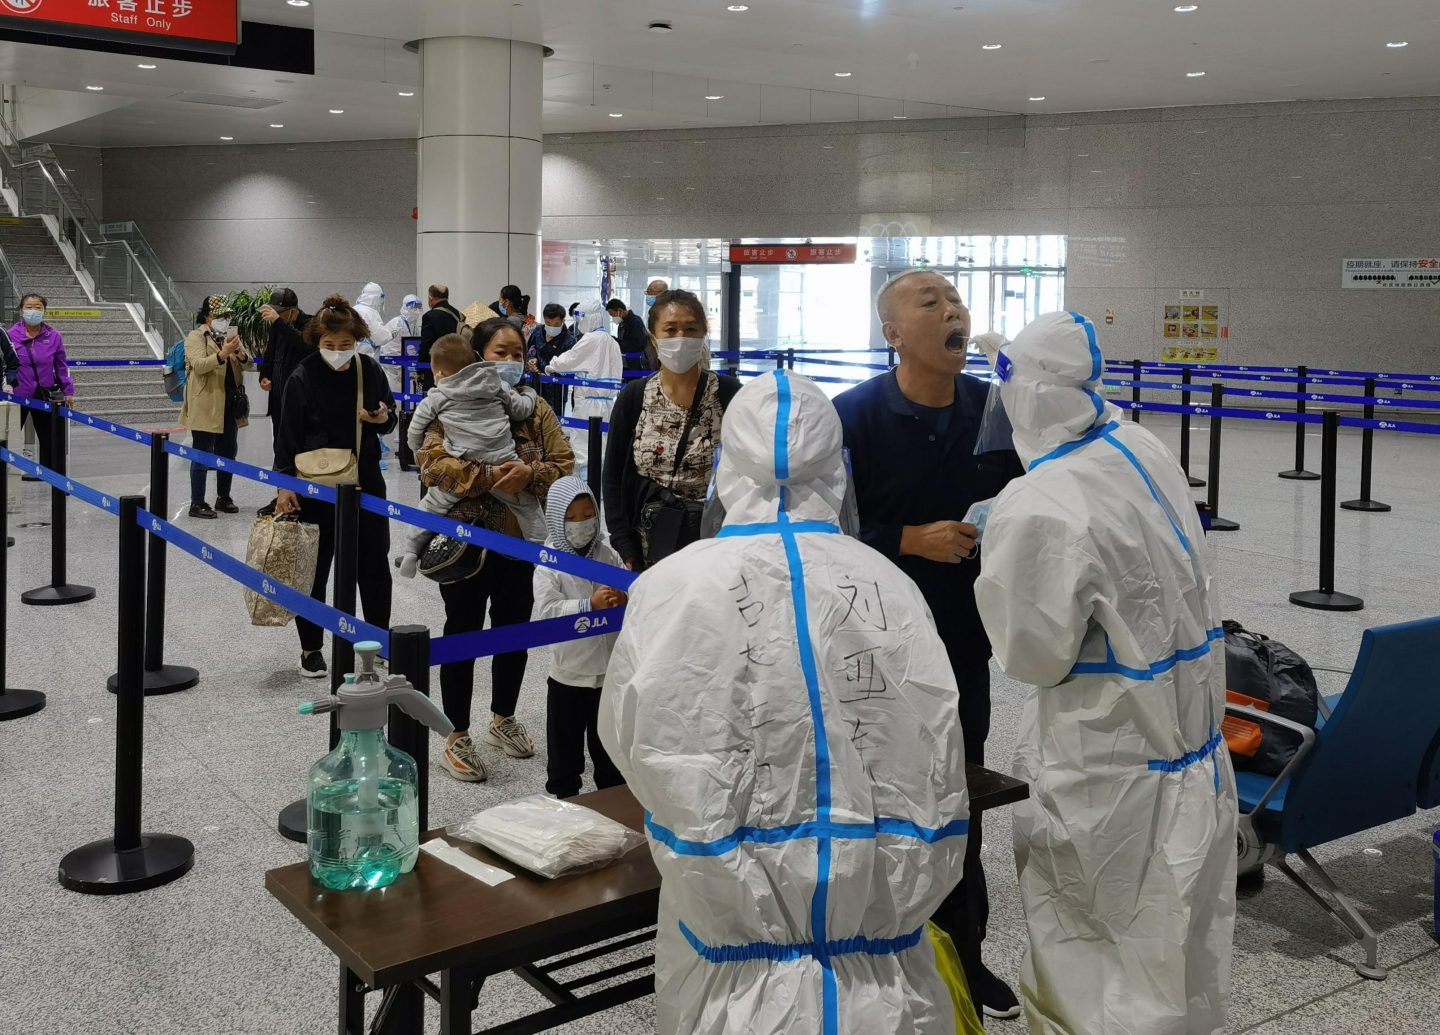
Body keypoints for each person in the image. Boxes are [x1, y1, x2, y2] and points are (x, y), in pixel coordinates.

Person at [600, 370, 970, 1035]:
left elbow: (635, 742)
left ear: (726, 465)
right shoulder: (887, 583)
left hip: (730, 976)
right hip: (887, 987)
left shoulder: (672, 587)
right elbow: (937, 748)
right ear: (837, 465)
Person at [972, 312, 1236, 1035]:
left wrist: (1005, 542)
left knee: (1092, 966)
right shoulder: (1140, 444)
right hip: (1191, 754)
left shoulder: (1040, 500)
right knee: (1173, 963)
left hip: (1106, 771)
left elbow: (1032, 653)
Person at [831, 269, 1024, 1020]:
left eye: (955, 300)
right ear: (892, 333)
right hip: (873, 642)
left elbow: (1032, 501)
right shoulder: (854, 418)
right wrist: (908, 538)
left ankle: (965, 953)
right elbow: (828, 530)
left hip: (962, 640)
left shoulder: (993, 411)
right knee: (870, 794)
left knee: (961, 792)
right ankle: (869, 949)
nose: (952, 310)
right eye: (930, 301)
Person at [415, 317, 575, 781]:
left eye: (515, 353)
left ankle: (502, 717)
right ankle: (454, 732)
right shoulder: (449, 402)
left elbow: (563, 463)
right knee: (461, 633)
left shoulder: (536, 408)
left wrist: (532, 473)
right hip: (463, 543)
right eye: (497, 353)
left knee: (514, 632)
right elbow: (431, 466)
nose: (508, 362)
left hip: (523, 542)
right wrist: (489, 476)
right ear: (476, 354)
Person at [272, 294, 396, 679]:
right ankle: (311, 647)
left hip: (365, 482)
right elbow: (286, 435)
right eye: (330, 345)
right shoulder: (303, 374)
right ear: (317, 341)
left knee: (373, 566)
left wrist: (380, 418)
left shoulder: (370, 370)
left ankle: (378, 641)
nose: (338, 352)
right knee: (314, 567)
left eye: (346, 345)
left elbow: (390, 419)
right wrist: (284, 485)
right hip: (315, 488)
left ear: (357, 339)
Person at [603, 289, 740, 572]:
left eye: (691, 329)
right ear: (654, 338)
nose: (681, 337)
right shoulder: (635, 396)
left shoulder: (729, 395)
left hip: (718, 547)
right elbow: (613, 474)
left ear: (703, 334)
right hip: (650, 546)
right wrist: (624, 543)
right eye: (671, 329)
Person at [394, 329, 545, 578]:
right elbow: (520, 410)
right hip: (505, 464)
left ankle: (411, 551)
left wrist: (412, 447)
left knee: (431, 505)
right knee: (528, 508)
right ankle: (542, 559)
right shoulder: (496, 385)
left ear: (439, 373)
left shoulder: (438, 395)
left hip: (463, 465)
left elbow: (415, 428)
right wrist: (529, 393)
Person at [532, 476, 627, 799]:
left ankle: (615, 804)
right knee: (564, 757)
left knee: (610, 755)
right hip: (569, 677)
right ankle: (564, 805)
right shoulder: (549, 564)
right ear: (556, 520)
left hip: (609, 676)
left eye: (587, 514)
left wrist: (624, 597)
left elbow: (626, 587)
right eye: (570, 518)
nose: (580, 524)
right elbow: (547, 612)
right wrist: (588, 605)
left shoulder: (607, 553)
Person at [180, 294, 251, 519]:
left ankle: (224, 497)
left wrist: (238, 351)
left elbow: (249, 363)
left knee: (228, 452)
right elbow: (199, 366)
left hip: (231, 404)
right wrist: (223, 354)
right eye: (220, 315)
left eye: (228, 315)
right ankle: (197, 503)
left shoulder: (230, 336)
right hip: (206, 403)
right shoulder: (196, 336)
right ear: (207, 316)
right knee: (202, 453)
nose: (224, 319)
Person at [541, 298, 622, 480]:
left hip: (588, 403)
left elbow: (569, 359)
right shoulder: (611, 341)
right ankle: (598, 484)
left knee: (585, 446)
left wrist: (550, 366)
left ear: (589, 318)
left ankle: (587, 484)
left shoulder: (591, 340)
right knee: (602, 445)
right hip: (609, 403)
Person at [6, 293, 73, 470]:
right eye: (29, 307)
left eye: (38, 307)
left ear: (44, 311)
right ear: (21, 310)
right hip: (16, 395)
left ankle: (55, 482)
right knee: (8, 437)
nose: (33, 311)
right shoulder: (10, 335)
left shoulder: (54, 336)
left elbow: (61, 366)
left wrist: (68, 390)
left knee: (50, 440)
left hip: (44, 394)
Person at [527, 303, 575, 414]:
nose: (552, 327)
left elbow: (569, 366)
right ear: (544, 319)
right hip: (536, 384)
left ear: (563, 321)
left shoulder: (569, 340)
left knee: (554, 421)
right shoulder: (538, 332)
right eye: (548, 323)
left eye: (556, 324)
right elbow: (530, 349)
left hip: (557, 389)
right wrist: (531, 359)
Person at [420, 284, 464, 390]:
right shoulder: (460, 315)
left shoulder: (429, 316)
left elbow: (426, 345)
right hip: (457, 366)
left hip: (436, 369)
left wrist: (420, 369)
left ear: (430, 298)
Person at [606, 298, 656, 372]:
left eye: (613, 315)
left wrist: (615, 341)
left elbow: (637, 344)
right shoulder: (622, 324)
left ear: (620, 311)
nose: (613, 318)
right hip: (626, 362)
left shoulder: (635, 322)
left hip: (636, 364)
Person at [353, 282, 394, 361]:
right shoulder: (370, 312)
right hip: (365, 355)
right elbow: (381, 337)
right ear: (377, 298)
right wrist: (390, 333)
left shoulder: (354, 309)